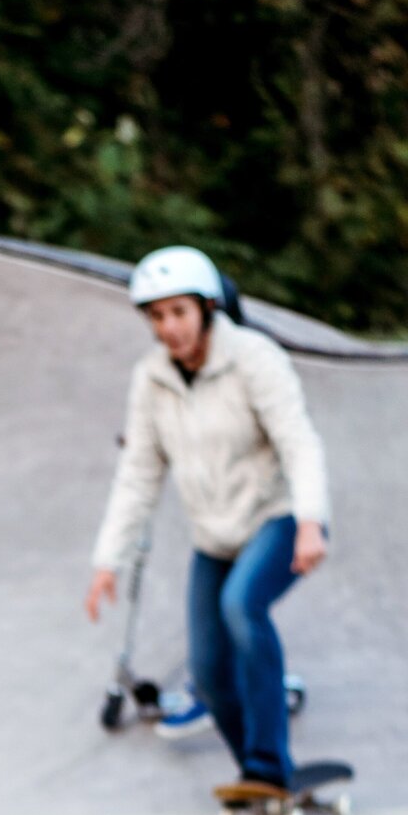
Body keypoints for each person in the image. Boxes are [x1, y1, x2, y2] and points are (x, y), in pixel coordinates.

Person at [86, 245, 329, 787]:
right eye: (157, 316)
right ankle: (257, 778)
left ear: (206, 308)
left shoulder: (254, 359)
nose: (170, 328)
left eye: (179, 312)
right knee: (210, 673)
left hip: (280, 517)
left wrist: (311, 520)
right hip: (215, 538)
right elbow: (139, 474)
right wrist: (109, 561)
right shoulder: (151, 380)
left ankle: (270, 766)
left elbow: (298, 441)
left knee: (243, 606)